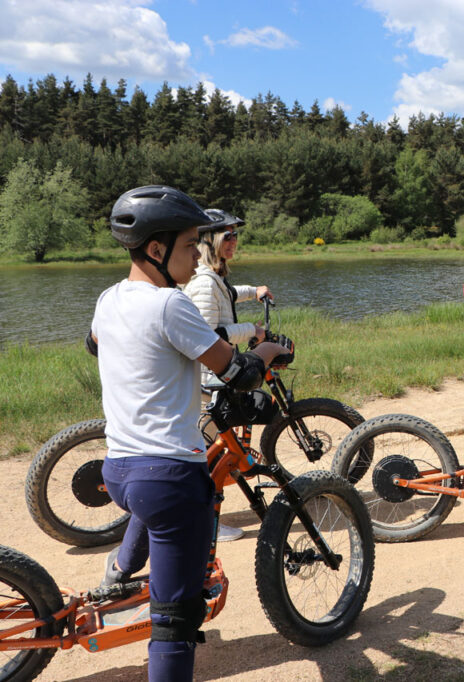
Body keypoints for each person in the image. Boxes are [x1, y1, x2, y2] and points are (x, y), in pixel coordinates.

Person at [91, 185, 289, 681]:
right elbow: (237, 373)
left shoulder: (108, 299)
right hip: (170, 478)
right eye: (186, 246)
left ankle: (116, 576)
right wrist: (267, 353)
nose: (194, 256)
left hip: (118, 467)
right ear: (155, 250)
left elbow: (96, 345)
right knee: (176, 623)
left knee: (149, 511)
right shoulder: (168, 305)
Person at [183, 208, 272, 542]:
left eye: (236, 234)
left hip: (214, 375)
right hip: (208, 378)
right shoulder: (204, 282)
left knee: (210, 449)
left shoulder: (213, 277)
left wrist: (255, 291)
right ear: (210, 240)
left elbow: (229, 294)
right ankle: (204, 523)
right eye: (228, 235)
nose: (234, 241)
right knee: (207, 453)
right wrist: (253, 330)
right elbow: (209, 333)